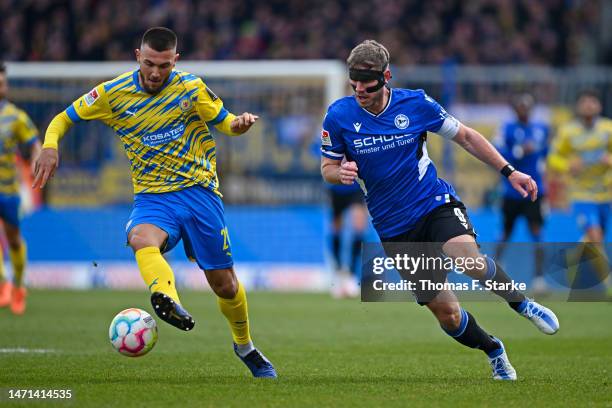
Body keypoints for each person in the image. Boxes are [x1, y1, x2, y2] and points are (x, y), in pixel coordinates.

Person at [33, 27, 276, 378]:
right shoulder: (112, 93)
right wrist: (50, 145)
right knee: (140, 238)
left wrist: (240, 124)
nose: (155, 72)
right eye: (149, 63)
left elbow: (226, 123)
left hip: (199, 193)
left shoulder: (191, 88)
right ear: (137, 57)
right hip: (152, 195)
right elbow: (62, 118)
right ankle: (166, 296)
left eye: (163, 65)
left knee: (225, 285)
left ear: (175, 61)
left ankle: (245, 346)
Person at [320, 40, 559, 381]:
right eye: (354, 83)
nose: (360, 90)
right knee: (448, 315)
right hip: (392, 227)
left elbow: (466, 137)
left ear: (386, 77)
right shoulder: (339, 116)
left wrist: (510, 171)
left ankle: (523, 304)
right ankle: (494, 350)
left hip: (432, 203)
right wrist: (339, 174)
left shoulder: (416, 104)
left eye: (368, 85)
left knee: (468, 260)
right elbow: (327, 167)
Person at [547, 90, 611, 296]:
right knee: (595, 237)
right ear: (578, 107)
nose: (589, 106)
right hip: (582, 195)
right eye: (585, 102)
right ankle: (609, 286)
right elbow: (553, 159)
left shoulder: (608, 129)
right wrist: (567, 165)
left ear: (599, 106)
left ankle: (573, 259)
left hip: (606, 194)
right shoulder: (568, 132)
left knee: (593, 239)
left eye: (593, 101)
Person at [494, 93, 550, 293]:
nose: (524, 109)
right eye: (520, 105)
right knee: (505, 232)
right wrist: (519, 151)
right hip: (511, 191)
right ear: (514, 108)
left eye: (527, 105)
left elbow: (545, 154)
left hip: (535, 189)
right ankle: (494, 275)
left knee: (537, 231)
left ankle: (539, 279)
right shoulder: (506, 129)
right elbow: (497, 153)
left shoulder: (541, 128)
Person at [0, 61, 41, 315]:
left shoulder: (15, 117)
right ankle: (3, 284)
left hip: (9, 190)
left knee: (13, 239)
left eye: (2, 83)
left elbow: (34, 143)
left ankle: (18, 285)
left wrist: (37, 158)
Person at [327, 182, 367, 298]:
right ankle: (339, 271)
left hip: (356, 186)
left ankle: (352, 275)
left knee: (359, 225)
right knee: (336, 228)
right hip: (336, 186)